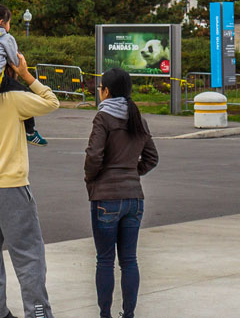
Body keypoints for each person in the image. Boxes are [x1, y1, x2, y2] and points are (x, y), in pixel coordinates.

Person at [0, 38, 60, 318]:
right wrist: (27, 75)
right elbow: (52, 102)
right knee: (28, 254)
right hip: (11, 186)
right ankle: (38, 313)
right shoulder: (14, 100)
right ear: (6, 68)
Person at [85, 68, 159, 318]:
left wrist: (92, 179)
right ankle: (129, 315)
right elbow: (152, 157)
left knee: (105, 260)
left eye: (100, 89)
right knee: (129, 260)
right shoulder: (137, 117)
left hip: (106, 198)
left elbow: (94, 156)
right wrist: (132, 172)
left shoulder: (103, 117)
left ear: (106, 91)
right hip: (134, 200)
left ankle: (104, 315)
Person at [0, 4, 49, 145]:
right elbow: (15, 60)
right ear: (1, 23)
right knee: (26, 95)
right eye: (9, 22)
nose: (9, 25)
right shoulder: (6, 38)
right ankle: (30, 132)